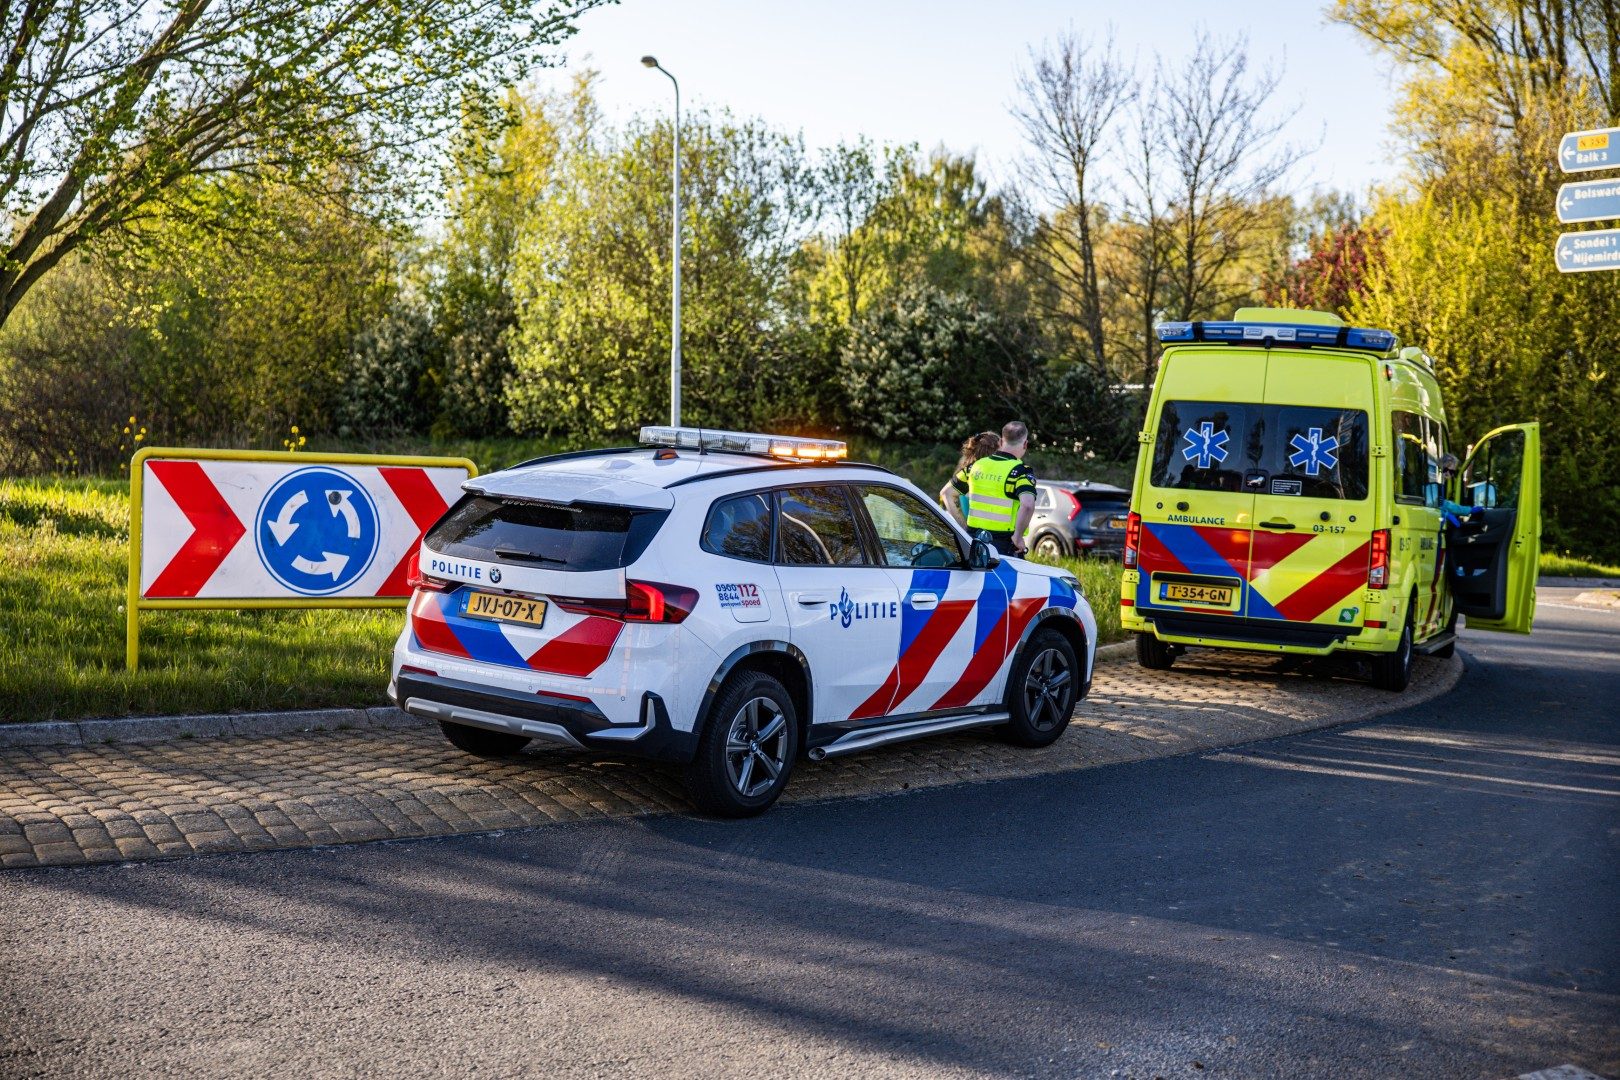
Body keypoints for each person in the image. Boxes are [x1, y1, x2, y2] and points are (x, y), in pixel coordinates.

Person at [959, 421, 1038, 556]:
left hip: (973, 541)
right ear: (1025, 444)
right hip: (1003, 545)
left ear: (1001, 441)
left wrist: (960, 526)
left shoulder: (976, 466)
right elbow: (1028, 505)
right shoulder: (1021, 472)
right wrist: (1018, 536)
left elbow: (947, 493)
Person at [940, 431, 1001, 528]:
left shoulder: (968, 469)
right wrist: (964, 529)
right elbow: (946, 493)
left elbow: (946, 494)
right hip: (980, 532)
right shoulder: (980, 473)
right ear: (994, 450)